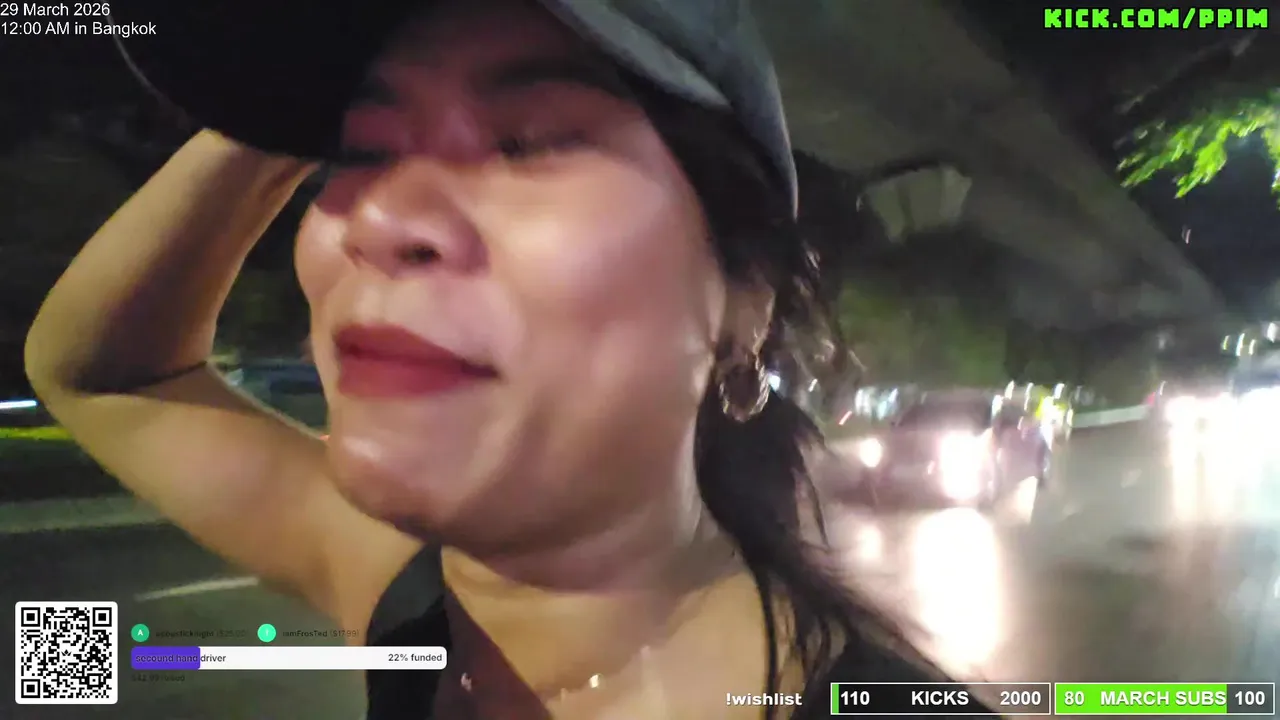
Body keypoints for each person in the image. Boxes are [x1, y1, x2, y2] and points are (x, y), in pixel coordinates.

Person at [26, 0, 996, 717]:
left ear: (745, 300)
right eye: (357, 150)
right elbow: (99, 371)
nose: (378, 218)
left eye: (526, 144)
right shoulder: (424, 600)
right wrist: (285, 99)